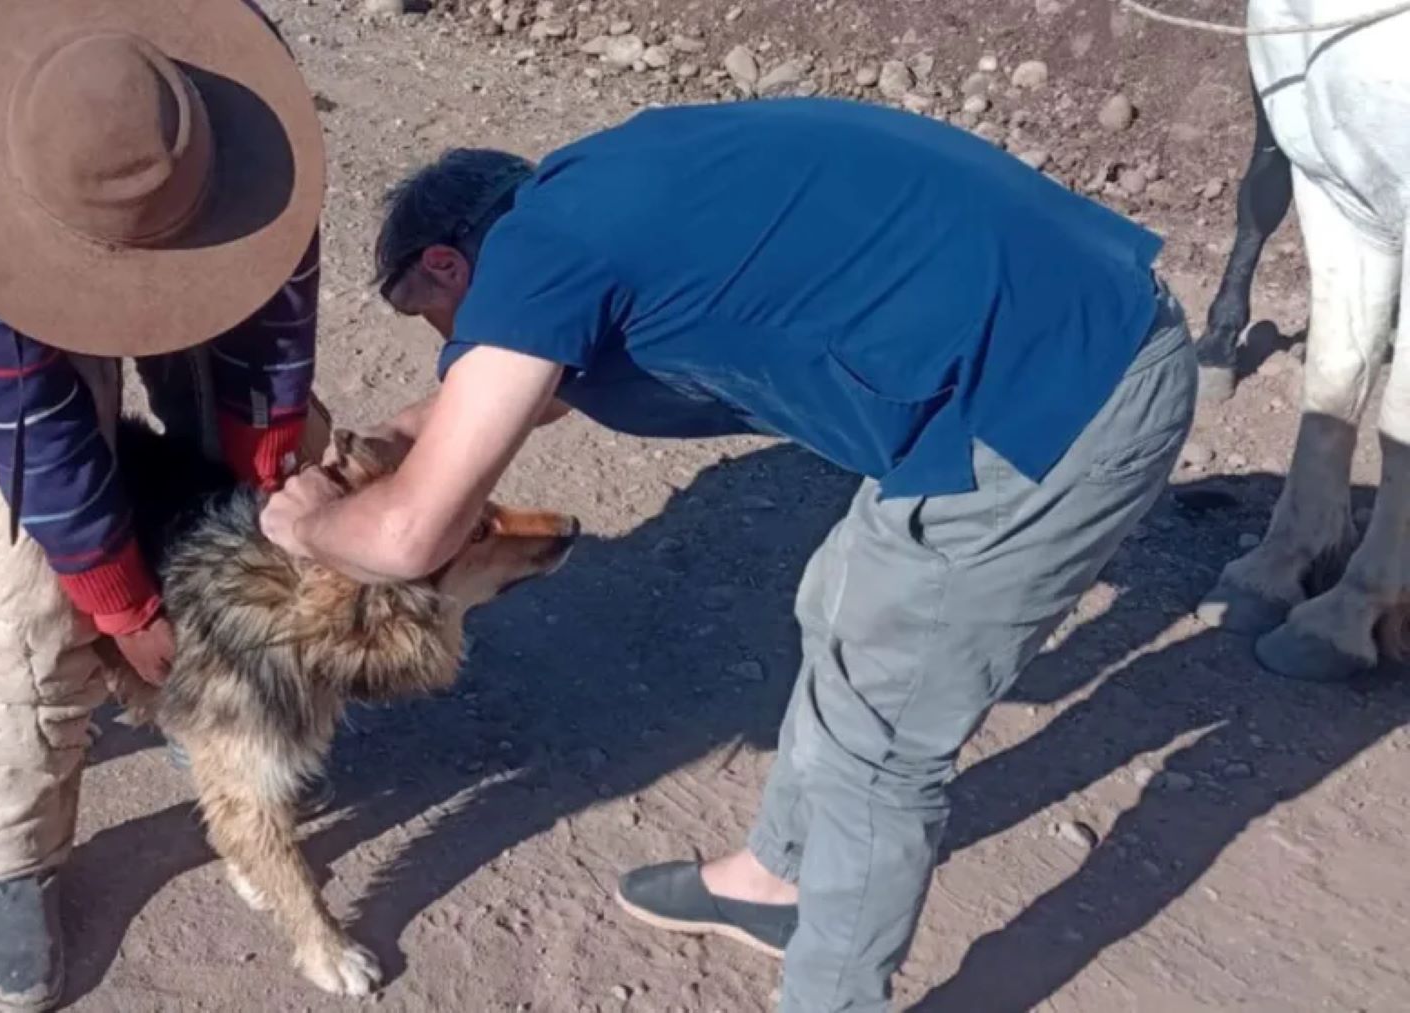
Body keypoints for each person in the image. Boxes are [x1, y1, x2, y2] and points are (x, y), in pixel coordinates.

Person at [259, 100, 1196, 1012]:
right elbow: (532, 384)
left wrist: (302, 526)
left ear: (445, 260)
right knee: (840, 600)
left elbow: (407, 539)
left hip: (1058, 398)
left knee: (882, 741)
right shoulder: (589, 193)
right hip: (1046, 335)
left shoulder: (532, 260)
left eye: (435, 317)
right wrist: (392, 438)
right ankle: (775, 882)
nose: (451, 348)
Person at [0, 0, 327, 1007]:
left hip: (204, 213)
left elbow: (277, 316)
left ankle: (216, 703)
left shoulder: (245, 90)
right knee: (27, 582)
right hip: (27, 239)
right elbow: (24, 410)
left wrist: (259, 474)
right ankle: (12, 856)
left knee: (281, 462)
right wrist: (122, 600)